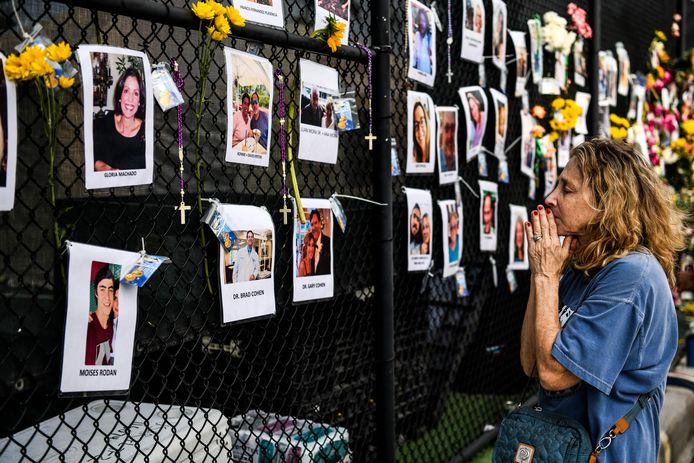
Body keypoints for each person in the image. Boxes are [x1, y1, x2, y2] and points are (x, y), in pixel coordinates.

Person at [519, 139, 685, 463]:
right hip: (561, 450)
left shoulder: (632, 276)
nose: (550, 198)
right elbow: (530, 363)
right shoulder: (582, 266)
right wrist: (541, 275)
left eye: (567, 189)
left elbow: (554, 375)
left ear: (608, 203)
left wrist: (546, 277)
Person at [94, 67, 146, 171]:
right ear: (120, 96)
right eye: (126, 91)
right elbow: (95, 159)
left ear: (140, 101)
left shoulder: (147, 131)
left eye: (136, 93)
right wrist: (109, 171)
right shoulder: (105, 123)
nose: (130, 99)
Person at [85, 265, 118, 365]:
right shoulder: (88, 324)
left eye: (110, 290)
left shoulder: (111, 327)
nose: (107, 297)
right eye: (102, 290)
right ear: (96, 293)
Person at [310, 210, 331, 275]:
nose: (313, 227)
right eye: (312, 224)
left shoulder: (328, 241)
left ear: (320, 223)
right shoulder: (310, 244)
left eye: (315, 223)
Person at [413, 9, 432, 75]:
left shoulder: (429, 37)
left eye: (423, 21)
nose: (421, 23)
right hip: (417, 72)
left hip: (427, 72)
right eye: (420, 20)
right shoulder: (417, 35)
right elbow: (414, 58)